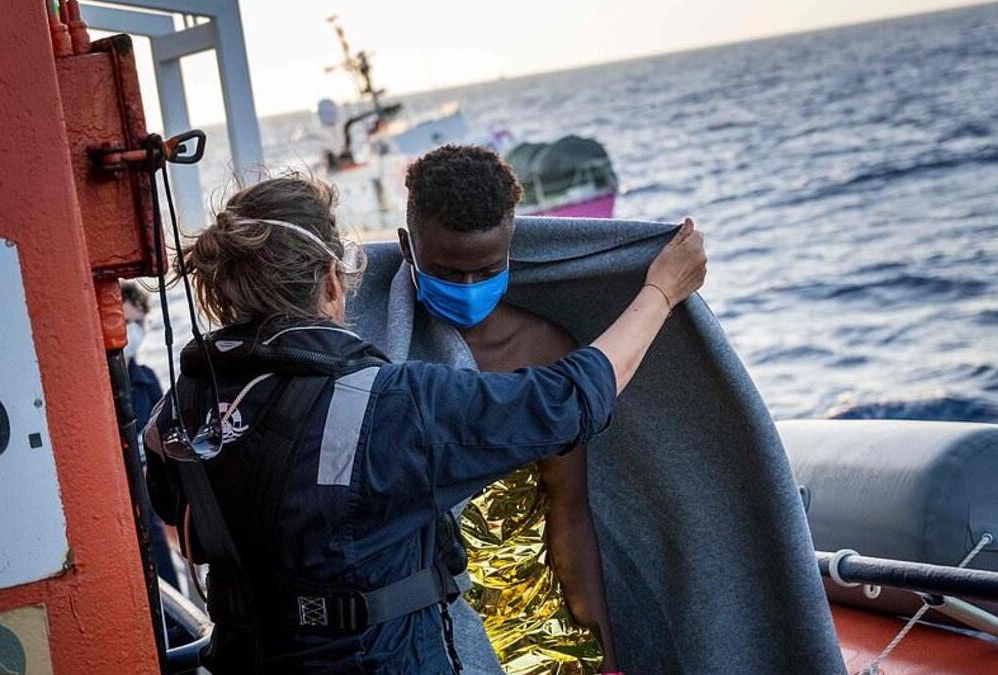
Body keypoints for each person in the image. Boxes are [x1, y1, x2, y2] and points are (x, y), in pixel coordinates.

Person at [142, 173, 705, 674]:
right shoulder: (388, 404)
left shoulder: (181, 405)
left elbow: (181, 527)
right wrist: (661, 292)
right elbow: (568, 400)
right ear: (333, 283)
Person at [398, 145, 629, 673]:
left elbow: (567, 510)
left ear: (511, 248)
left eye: (486, 269)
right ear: (407, 248)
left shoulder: (547, 352)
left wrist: (607, 659)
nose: (468, 288)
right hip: (430, 641)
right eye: (448, 273)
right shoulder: (383, 353)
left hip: (540, 632)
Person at [121, 281, 180, 590]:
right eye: (127, 322)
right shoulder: (101, 386)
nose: (134, 331)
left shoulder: (147, 380)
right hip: (122, 505)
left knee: (169, 584)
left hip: (151, 501)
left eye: (139, 323)